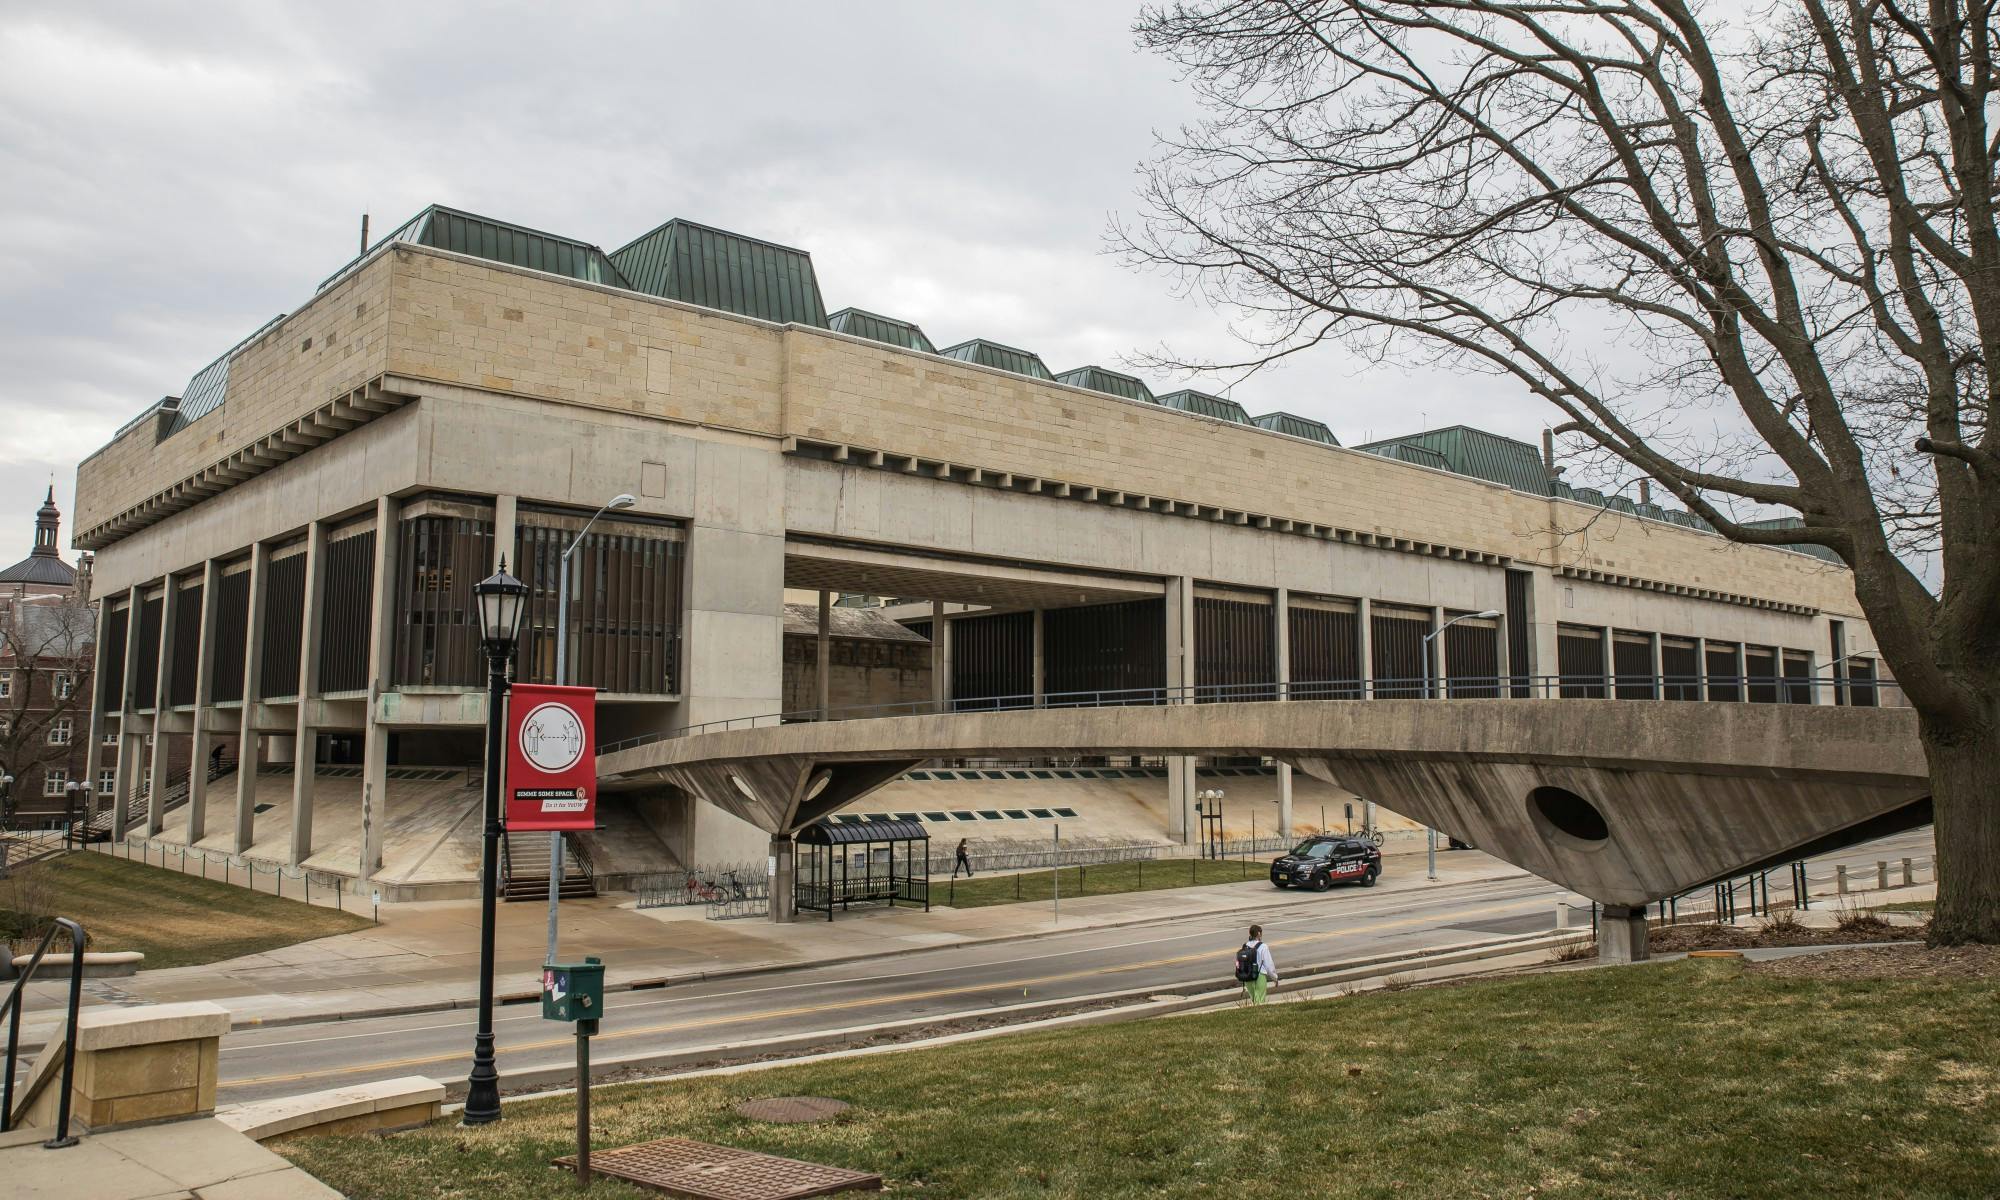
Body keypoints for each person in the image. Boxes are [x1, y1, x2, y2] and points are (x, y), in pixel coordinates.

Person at [1234, 924, 1278, 1004]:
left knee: (1254, 1000)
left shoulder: (1245, 946)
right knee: (1260, 1001)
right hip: (1259, 976)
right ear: (1259, 933)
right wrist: (1275, 977)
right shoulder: (1263, 946)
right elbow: (1269, 965)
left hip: (1247, 976)